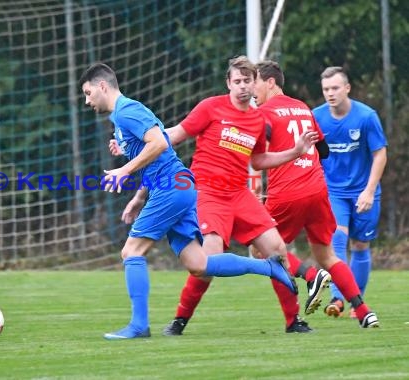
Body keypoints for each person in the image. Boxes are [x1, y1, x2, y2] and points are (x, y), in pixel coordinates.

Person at [79, 62, 303, 340]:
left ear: (103, 86)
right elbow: (155, 145)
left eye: (88, 93)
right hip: (178, 187)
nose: (87, 101)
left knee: (131, 252)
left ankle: (138, 326)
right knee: (199, 264)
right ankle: (268, 266)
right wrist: (136, 187)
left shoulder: (127, 110)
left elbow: (160, 143)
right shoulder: (123, 117)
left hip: (172, 188)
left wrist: (124, 170)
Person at [253, 60, 379, 328]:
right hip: (318, 190)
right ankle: (364, 312)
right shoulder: (302, 108)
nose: (252, 89)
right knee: (327, 255)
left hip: (287, 192)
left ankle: (303, 296)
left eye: (255, 82)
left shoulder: (263, 112)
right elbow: (323, 151)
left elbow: (257, 154)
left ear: (270, 82)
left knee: (264, 251)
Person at [312, 66, 387, 318]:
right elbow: (308, 153)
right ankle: (338, 297)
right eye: (325, 89)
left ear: (347, 88)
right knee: (337, 237)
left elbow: (380, 154)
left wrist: (369, 190)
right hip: (333, 191)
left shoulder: (366, 117)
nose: (330, 93)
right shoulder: (317, 117)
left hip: (364, 191)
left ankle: (357, 300)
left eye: (335, 88)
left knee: (360, 244)